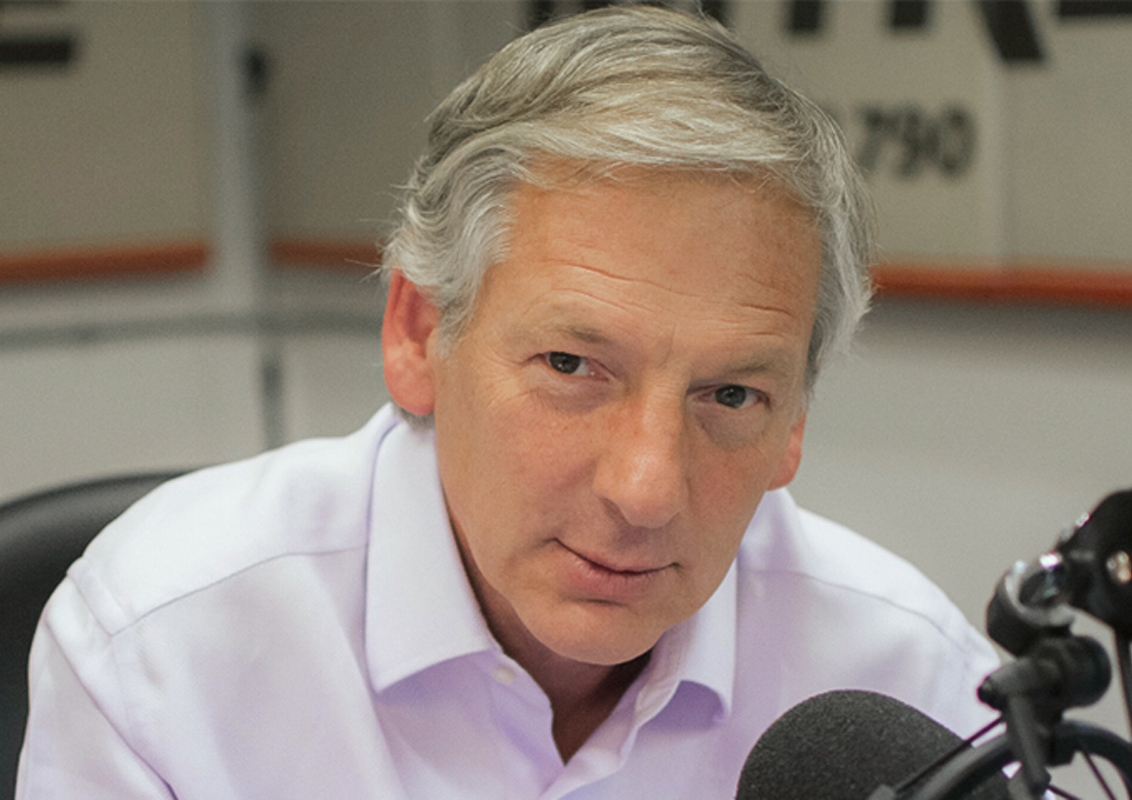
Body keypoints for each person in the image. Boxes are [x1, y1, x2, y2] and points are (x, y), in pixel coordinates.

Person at [18, 6, 998, 798]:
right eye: (572, 365)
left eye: (732, 393)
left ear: (795, 425)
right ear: (417, 333)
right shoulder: (158, 652)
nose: (646, 488)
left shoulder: (908, 681)